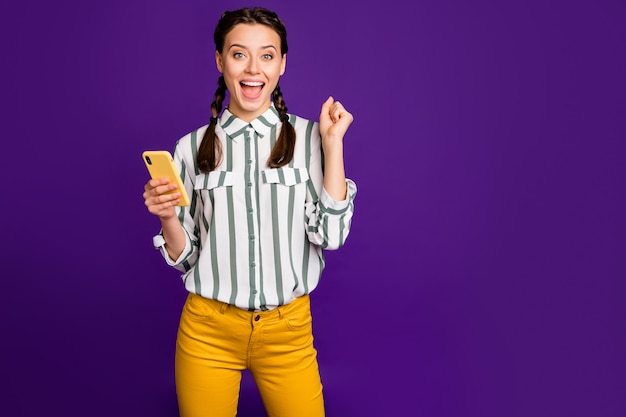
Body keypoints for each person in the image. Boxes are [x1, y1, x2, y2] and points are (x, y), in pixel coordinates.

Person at [142, 7, 357, 417]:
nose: (253, 68)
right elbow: (186, 257)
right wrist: (167, 215)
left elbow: (331, 237)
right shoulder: (190, 148)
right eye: (239, 54)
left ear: (282, 64)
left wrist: (334, 147)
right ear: (220, 60)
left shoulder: (314, 136)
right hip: (207, 329)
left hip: (288, 331)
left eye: (267, 55)